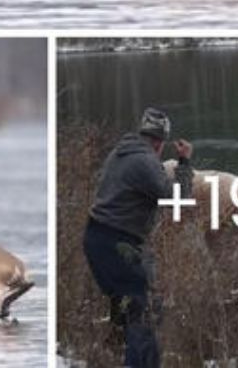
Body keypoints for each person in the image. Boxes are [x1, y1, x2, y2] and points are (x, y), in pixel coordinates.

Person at [83, 107, 194, 368]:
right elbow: (178, 201)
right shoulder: (144, 161)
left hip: (97, 239)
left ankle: (112, 355)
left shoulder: (120, 153)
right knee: (144, 312)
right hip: (118, 243)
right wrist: (185, 162)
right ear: (161, 142)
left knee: (127, 310)